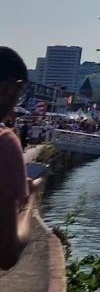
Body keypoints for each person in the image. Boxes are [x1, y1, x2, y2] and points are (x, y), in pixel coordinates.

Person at [1, 47, 44, 270]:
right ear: (11, 89)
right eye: (21, 93)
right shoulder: (4, 143)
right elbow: (7, 254)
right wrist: (29, 202)